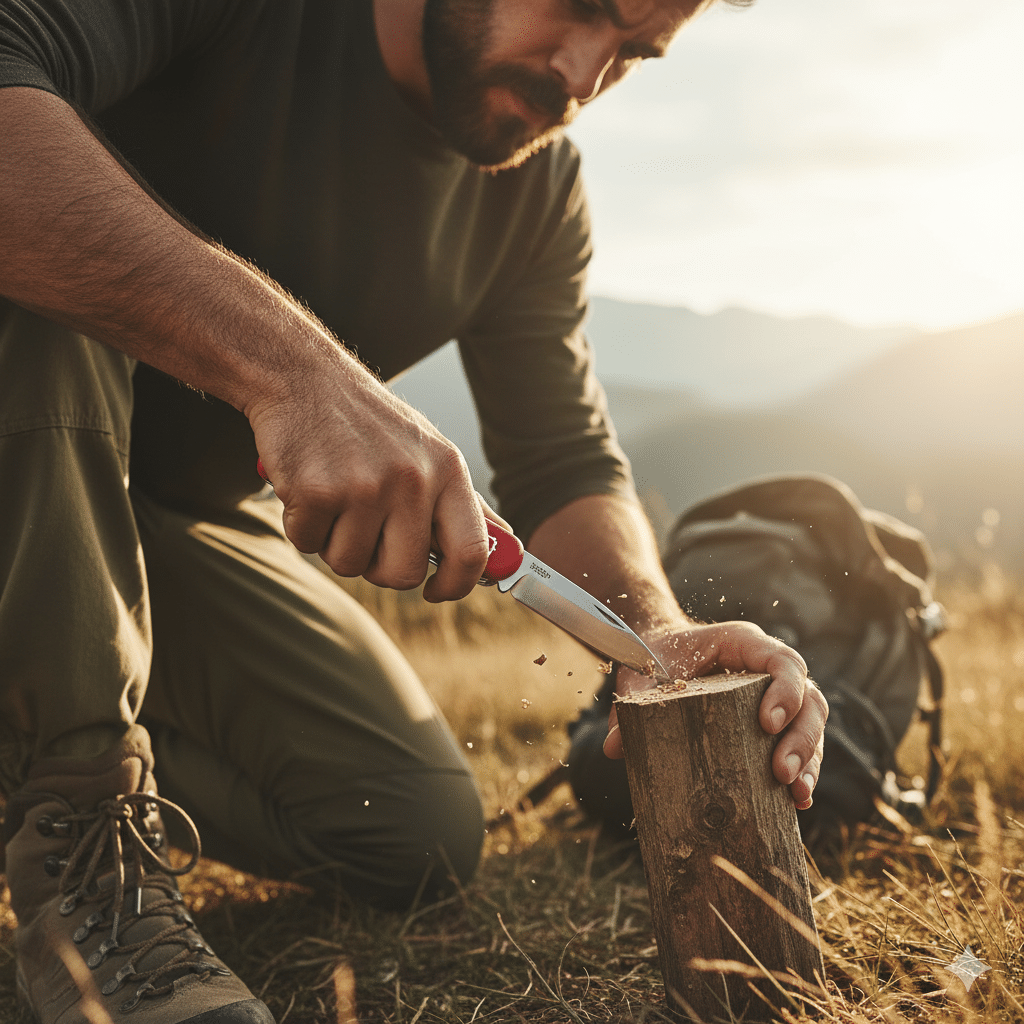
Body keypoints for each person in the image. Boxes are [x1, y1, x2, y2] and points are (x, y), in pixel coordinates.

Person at [0, 0, 828, 1020]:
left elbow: (561, 457)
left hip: (168, 519)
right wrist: (295, 375)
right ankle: (85, 851)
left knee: (405, 825)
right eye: (581, 8)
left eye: (632, 52)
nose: (581, 73)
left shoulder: (534, 194)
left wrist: (656, 638)